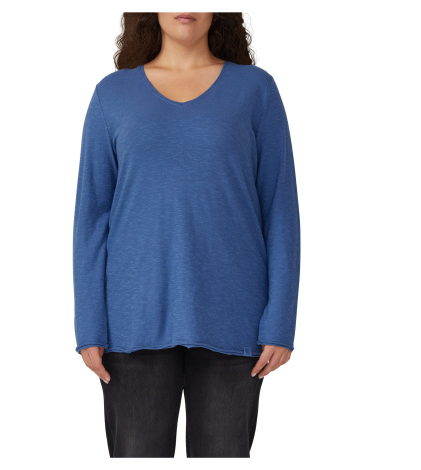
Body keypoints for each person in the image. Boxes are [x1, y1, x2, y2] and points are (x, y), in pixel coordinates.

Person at [73, 12, 301, 458]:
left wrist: (280, 321)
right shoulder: (111, 95)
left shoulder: (256, 90)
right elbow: (91, 219)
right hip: (132, 322)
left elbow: (279, 209)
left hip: (235, 318)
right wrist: (89, 325)